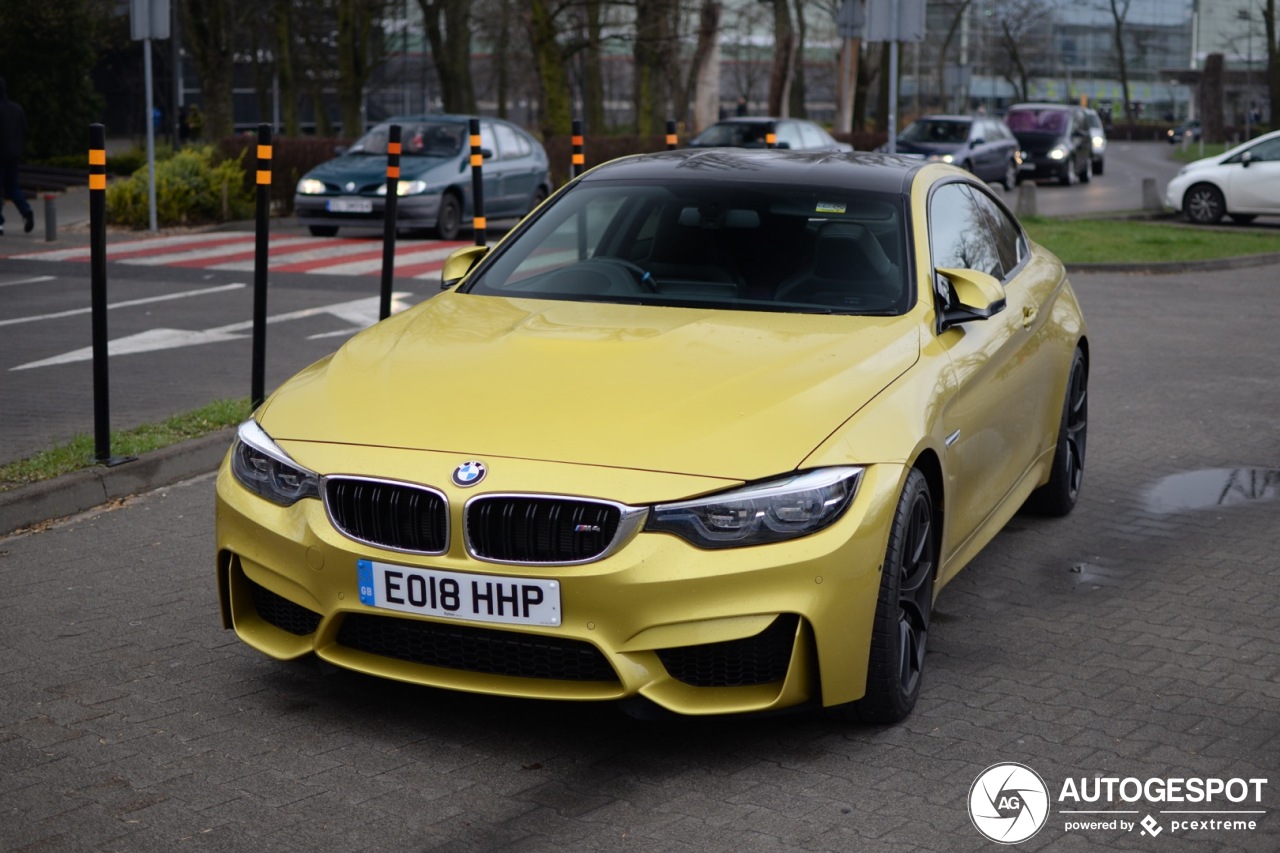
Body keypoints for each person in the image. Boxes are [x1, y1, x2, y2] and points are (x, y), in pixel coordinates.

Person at [0, 75, 35, 236]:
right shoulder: (16, 109)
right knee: (12, 187)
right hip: (14, 155)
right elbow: (24, 128)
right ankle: (26, 211)